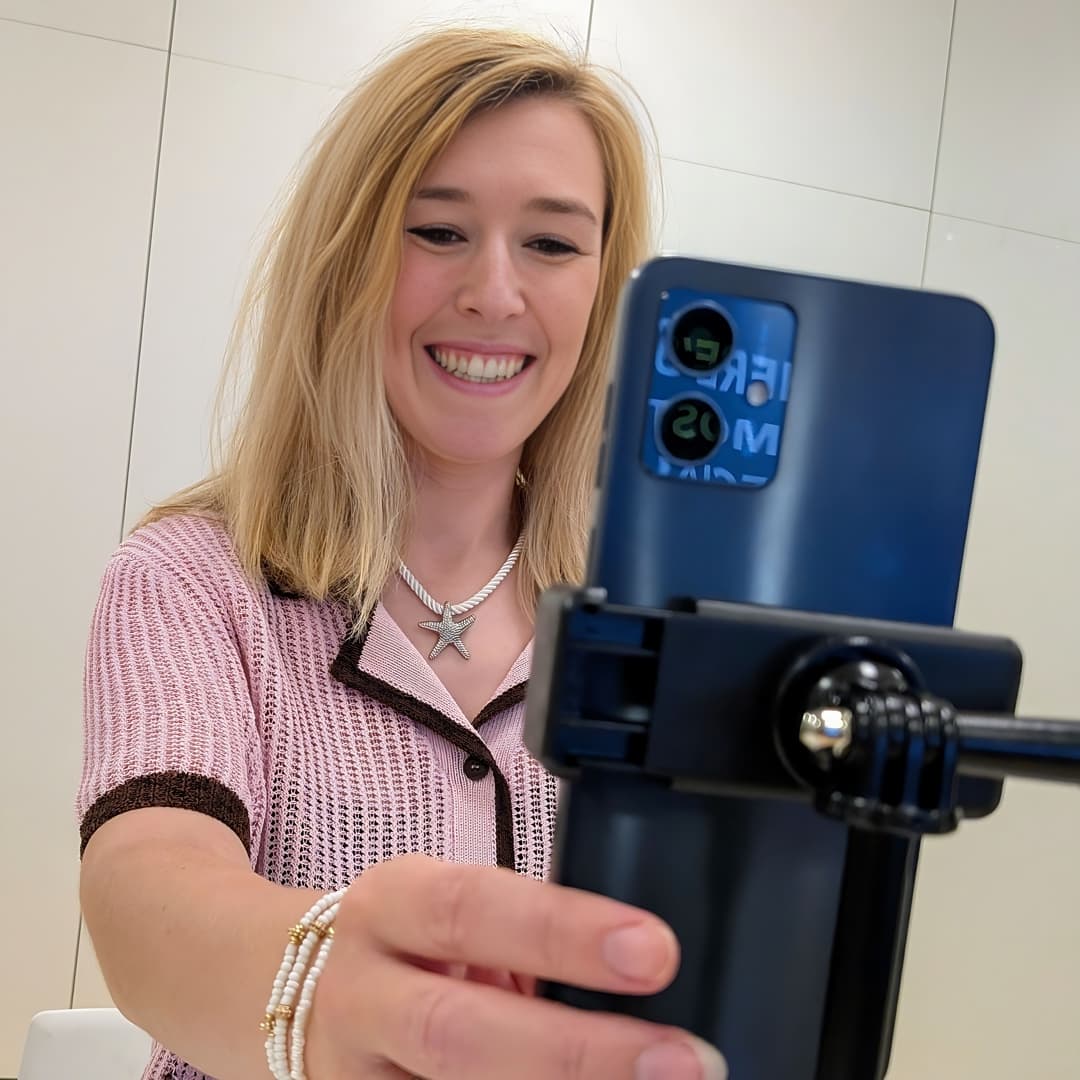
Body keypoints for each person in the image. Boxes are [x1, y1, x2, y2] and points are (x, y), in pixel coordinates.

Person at [77, 25, 728, 1080]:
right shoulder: (190, 580)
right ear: (347, 260)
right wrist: (321, 989)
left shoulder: (652, 622)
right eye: (437, 231)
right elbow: (148, 891)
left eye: (554, 244)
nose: (495, 293)